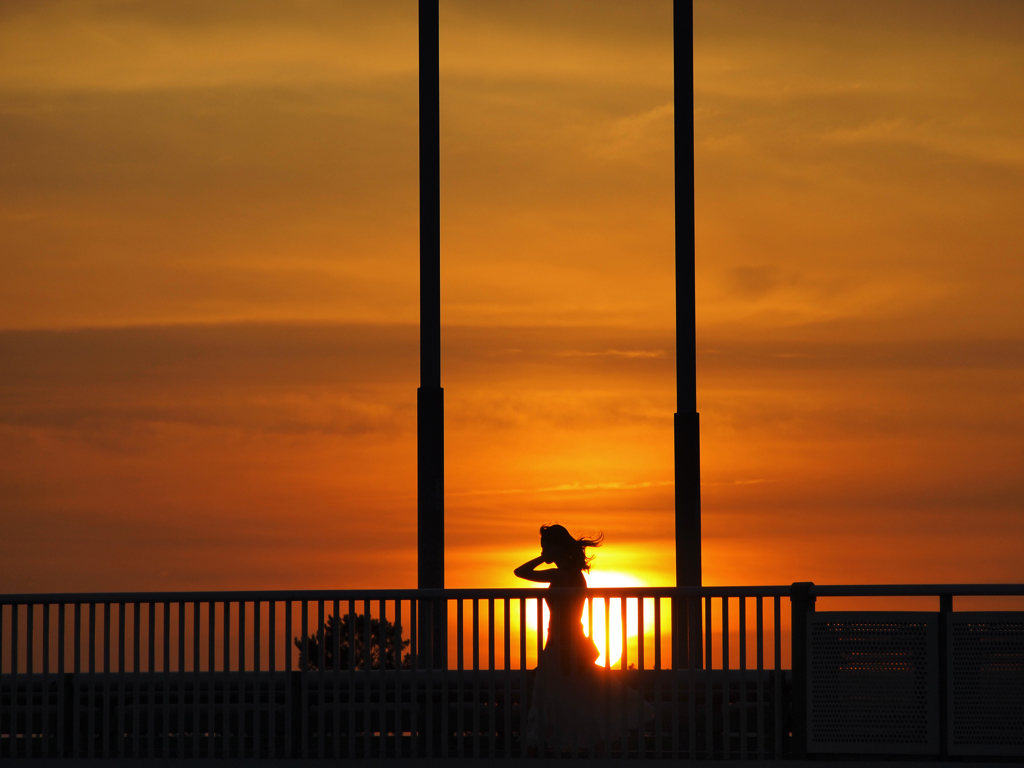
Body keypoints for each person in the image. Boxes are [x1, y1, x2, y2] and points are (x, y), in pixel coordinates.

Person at [515, 524, 652, 754]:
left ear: (556, 546)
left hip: (563, 644)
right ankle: (578, 751)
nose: (542, 550)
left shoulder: (563, 574)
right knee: (575, 699)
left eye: (545, 545)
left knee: (557, 701)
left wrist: (543, 558)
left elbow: (521, 572)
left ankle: (565, 752)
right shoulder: (573, 573)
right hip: (566, 643)